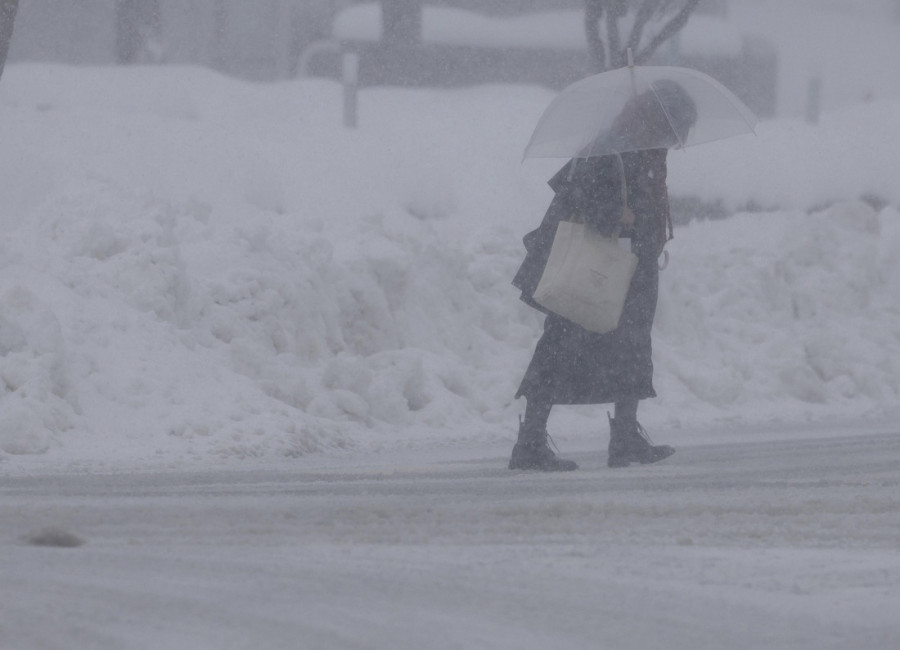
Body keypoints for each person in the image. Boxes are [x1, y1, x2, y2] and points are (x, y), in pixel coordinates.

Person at [509, 80, 697, 471]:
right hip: (593, 269)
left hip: (626, 267)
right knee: (560, 350)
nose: (677, 141)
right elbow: (579, 197)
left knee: (629, 351)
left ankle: (625, 438)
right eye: (676, 129)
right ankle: (530, 443)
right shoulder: (611, 147)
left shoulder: (643, 148)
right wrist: (619, 217)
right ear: (660, 119)